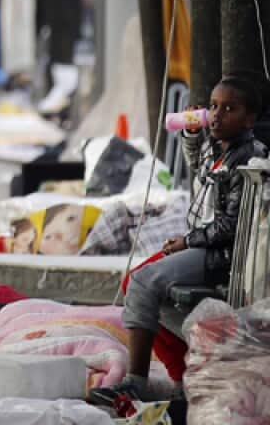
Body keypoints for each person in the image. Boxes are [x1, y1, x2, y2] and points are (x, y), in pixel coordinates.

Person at [90, 75, 268, 405]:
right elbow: (197, 165)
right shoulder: (223, 149)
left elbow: (229, 226)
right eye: (214, 107)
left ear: (250, 119)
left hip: (224, 253)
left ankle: (136, 383)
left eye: (229, 109)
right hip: (204, 243)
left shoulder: (248, 158)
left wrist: (187, 242)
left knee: (143, 283)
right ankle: (182, 377)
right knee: (136, 286)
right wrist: (191, 133)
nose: (217, 115)